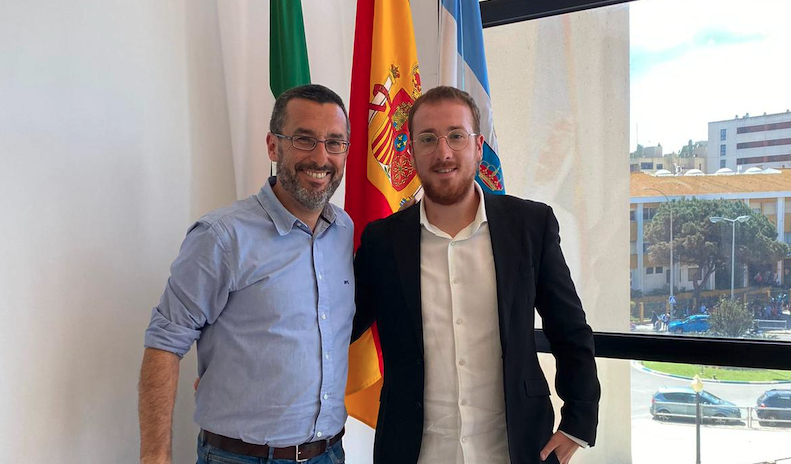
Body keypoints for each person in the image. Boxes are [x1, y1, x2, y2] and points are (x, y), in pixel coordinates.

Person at [353, 86, 600, 464]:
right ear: (411, 149)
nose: (443, 152)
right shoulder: (382, 242)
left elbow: (569, 329)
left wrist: (578, 421)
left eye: (456, 135)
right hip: (415, 452)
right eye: (428, 139)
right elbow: (338, 326)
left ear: (479, 146)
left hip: (515, 448)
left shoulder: (530, 226)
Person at [138, 84, 355, 464]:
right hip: (243, 458)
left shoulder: (343, 231)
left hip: (330, 453)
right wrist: (155, 457)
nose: (321, 157)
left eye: (335, 142)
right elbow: (164, 343)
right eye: (304, 140)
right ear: (274, 146)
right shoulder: (222, 237)